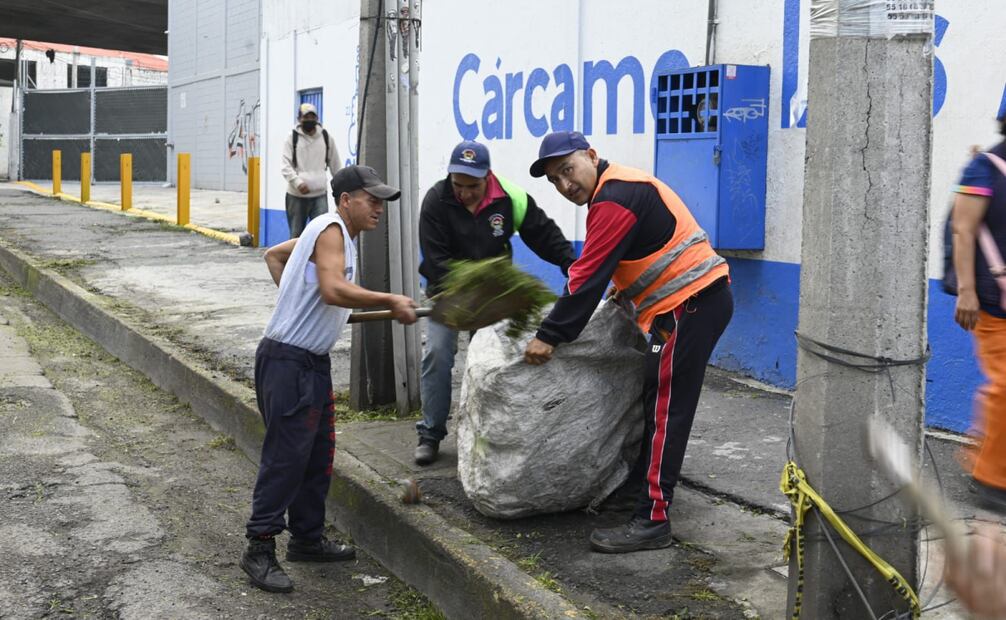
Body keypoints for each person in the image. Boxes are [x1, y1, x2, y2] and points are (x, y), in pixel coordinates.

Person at [523, 131, 733, 553]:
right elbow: (631, 256)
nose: (566, 185)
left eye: (568, 170)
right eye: (555, 181)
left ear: (592, 156)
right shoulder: (618, 188)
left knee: (667, 410)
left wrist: (550, 335)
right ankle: (639, 490)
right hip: (688, 305)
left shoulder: (614, 197)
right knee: (654, 402)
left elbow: (586, 277)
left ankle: (653, 519)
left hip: (690, 305)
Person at [241, 165, 417, 593]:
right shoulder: (333, 230)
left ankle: (306, 538)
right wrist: (390, 298)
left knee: (317, 456)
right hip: (289, 363)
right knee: (285, 459)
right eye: (370, 199)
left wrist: (301, 303)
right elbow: (334, 290)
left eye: (381, 200)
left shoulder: (325, 231)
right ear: (344, 200)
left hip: (308, 362)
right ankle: (258, 549)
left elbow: (275, 257)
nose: (378, 207)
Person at [415, 140, 576, 465]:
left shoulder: (509, 198)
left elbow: (543, 233)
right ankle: (430, 433)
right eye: (458, 185)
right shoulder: (436, 200)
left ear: (486, 176)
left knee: (488, 364)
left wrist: (570, 264)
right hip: (446, 295)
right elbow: (435, 260)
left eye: (472, 186)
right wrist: (468, 285)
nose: (464, 193)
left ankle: (482, 434)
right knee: (436, 354)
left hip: (492, 299)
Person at [949, 111, 1006, 511]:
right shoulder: (984, 169)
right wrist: (966, 290)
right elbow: (963, 229)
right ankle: (990, 481)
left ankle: (981, 455)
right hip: (992, 299)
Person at [280, 102, 343, 238]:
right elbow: (285, 166)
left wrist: (341, 187)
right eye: (305, 117)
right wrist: (297, 183)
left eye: (312, 117)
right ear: (299, 119)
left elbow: (335, 165)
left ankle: (318, 260)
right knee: (296, 236)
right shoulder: (292, 138)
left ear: (317, 118)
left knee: (322, 234)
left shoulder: (326, 138)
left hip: (320, 195)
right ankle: (297, 260)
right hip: (296, 196)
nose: (309, 120)